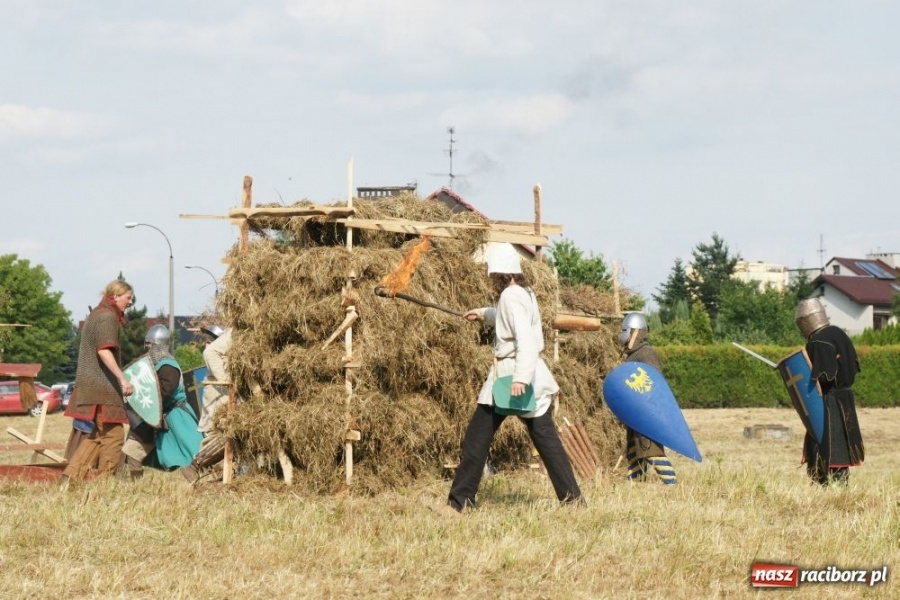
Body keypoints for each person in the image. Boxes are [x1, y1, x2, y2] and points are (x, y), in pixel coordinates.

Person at [445, 243, 582, 513]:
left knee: (477, 438)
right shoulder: (524, 293)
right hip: (525, 374)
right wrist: (484, 314)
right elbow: (511, 321)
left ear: (498, 274)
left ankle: (459, 504)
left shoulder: (510, 296)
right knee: (546, 439)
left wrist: (520, 379)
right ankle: (574, 501)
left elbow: (526, 341)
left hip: (513, 375)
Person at [63, 279, 136, 481]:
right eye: (128, 297)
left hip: (91, 386)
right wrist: (122, 379)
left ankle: (71, 478)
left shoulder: (97, 314)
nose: (131, 302)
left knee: (96, 436)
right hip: (102, 388)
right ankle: (105, 482)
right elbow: (104, 350)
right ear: (115, 296)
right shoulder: (106, 317)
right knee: (114, 436)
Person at [795, 298, 864, 485]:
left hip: (829, 400)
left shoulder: (818, 341)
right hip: (846, 397)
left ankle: (826, 483)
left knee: (828, 444)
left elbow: (824, 377)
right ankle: (838, 483)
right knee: (840, 443)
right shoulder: (838, 333)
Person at [120, 325, 203, 478]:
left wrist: (147, 409)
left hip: (175, 417)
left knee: (188, 454)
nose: (146, 347)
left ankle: (199, 486)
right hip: (155, 418)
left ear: (157, 345)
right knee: (132, 451)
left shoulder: (168, 367)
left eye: (149, 344)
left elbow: (163, 394)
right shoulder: (154, 366)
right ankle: (135, 485)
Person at [618, 313, 677, 485]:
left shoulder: (646, 353)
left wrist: (649, 409)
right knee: (634, 452)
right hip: (635, 414)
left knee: (650, 450)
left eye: (625, 330)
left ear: (635, 332)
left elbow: (653, 383)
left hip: (646, 413)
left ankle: (671, 483)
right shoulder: (632, 355)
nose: (622, 334)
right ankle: (637, 485)